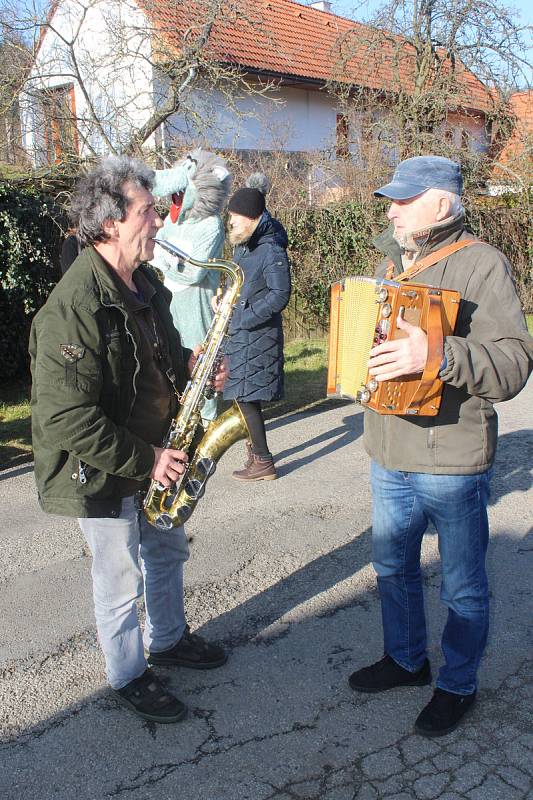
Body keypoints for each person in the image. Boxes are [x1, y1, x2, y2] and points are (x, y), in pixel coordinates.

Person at [29, 155, 229, 725]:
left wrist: (195, 369)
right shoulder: (73, 307)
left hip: (156, 452)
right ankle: (127, 673)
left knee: (165, 550)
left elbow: (160, 359)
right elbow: (66, 417)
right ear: (111, 222)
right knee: (119, 575)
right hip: (105, 466)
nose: (160, 222)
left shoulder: (146, 284)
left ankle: (167, 638)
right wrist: (149, 460)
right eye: (148, 212)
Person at [347, 156, 533, 737]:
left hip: (450, 459)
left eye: (405, 199)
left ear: (444, 204)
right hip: (388, 449)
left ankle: (456, 684)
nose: (392, 208)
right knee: (392, 566)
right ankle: (406, 660)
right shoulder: (389, 260)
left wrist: (438, 355)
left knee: (462, 583)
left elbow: (513, 365)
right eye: (391, 199)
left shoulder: (483, 265)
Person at [150, 149, 232, 423]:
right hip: (168, 307)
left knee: (203, 372)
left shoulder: (211, 225)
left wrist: (164, 259)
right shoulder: (172, 221)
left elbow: (195, 272)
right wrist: (169, 260)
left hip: (198, 313)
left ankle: (206, 424)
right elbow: (154, 251)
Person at [222, 186, 292, 481]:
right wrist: (224, 300)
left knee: (246, 397)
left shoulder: (271, 249)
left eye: (235, 216)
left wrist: (245, 316)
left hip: (256, 335)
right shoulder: (245, 246)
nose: (231, 222)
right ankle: (257, 456)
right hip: (241, 334)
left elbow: (280, 294)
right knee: (242, 396)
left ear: (252, 217)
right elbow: (242, 285)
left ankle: (262, 460)